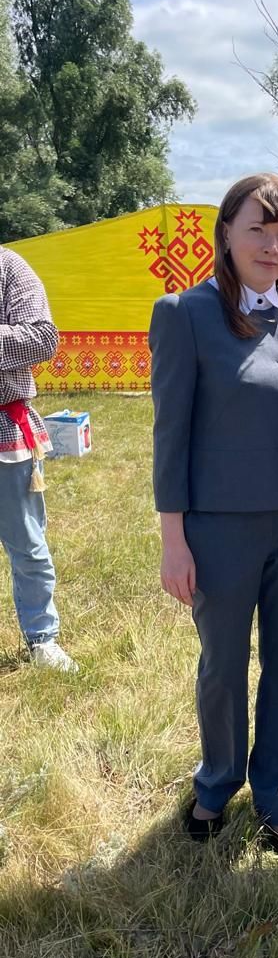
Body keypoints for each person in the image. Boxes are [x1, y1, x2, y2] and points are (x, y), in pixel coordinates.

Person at [149, 174, 278, 848]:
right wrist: (175, 539)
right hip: (218, 528)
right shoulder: (183, 314)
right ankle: (217, 783)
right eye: (258, 228)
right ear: (224, 232)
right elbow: (170, 435)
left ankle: (276, 793)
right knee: (222, 664)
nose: (273, 245)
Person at [0, 247, 77, 672]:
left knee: (26, 543)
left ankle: (41, 637)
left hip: (4, 429)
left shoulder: (8, 267)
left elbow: (42, 337)